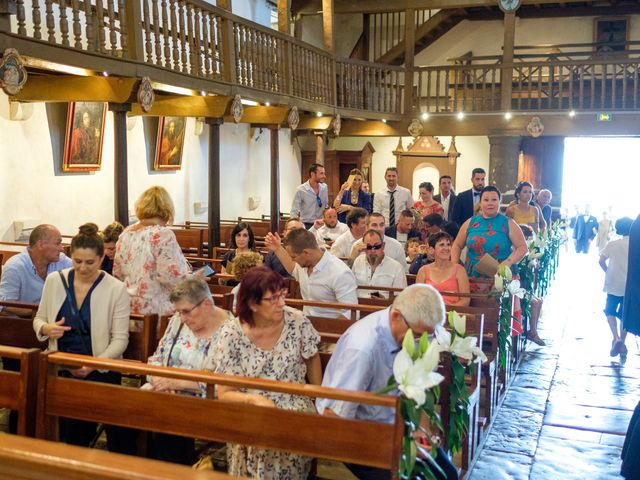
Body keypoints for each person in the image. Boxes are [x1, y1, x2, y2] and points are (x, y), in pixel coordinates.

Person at [317, 284, 445, 480]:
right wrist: (398, 445)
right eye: (419, 335)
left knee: (447, 474)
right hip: (361, 434)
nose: (423, 342)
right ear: (396, 317)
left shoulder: (413, 332)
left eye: (430, 335)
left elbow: (420, 391)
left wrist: (421, 433)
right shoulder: (362, 348)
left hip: (398, 426)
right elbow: (336, 417)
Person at [32, 223, 135, 454]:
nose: (83, 267)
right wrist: (47, 328)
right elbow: (39, 319)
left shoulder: (115, 289)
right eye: (77, 261)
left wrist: (92, 365)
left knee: (118, 429)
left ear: (101, 259)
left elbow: (120, 340)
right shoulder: (55, 281)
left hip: (102, 366)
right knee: (70, 431)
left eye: (90, 262)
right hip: (61, 364)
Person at [211, 267, 321, 479]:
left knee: (280, 434)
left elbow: (312, 357)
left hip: (292, 402)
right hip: (248, 404)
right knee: (255, 434)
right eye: (273, 299)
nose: (282, 304)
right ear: (252, 304)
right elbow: (225, 393)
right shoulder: (231, 333)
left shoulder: (297, 321)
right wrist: (254, 400)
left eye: (283, 295)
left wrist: (317, 396)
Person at [146, 276, 233, 465]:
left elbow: (228, 385)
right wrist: (160, 381)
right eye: (178, 312)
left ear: (207, 304)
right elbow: (156, 359)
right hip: (166, 392)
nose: (182, 318)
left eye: (186, 311)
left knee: (168, 418)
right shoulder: (178, 320)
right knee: (125, 410)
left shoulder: (232, 331)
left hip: (209, 401)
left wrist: (178, 383)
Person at [114, 186, 191, 316]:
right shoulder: (162, 234)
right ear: (167, 209)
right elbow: (171, 277)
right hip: (155, 311)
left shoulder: (125, 234)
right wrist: (194, 279)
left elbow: (117, 273)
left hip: (127, 309)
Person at [265, 229, 358, 319]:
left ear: (306, 253)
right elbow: (292, 268)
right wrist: (277, 248)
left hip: (330, 328)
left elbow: (350, 313)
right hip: (306, 324)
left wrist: (328, 330)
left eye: (294, 257)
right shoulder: (304, 264)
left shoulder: (340, 272)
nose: (293, 260)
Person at [451, 186, 527, 280]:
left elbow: (522, 247)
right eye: (486, 200)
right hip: (472, 275)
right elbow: (457, 245)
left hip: (501, 275)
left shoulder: (509, 223)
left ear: (499, 202)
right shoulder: (470, 222)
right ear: (480, 203)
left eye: (494, 200)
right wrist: (454, 266)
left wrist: (508, 262)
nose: (490, 203)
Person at [0, 224, 72, 306]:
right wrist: (38, 313)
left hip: (56, 317)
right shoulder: (15, 266)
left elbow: (81, 273)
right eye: (57, 243)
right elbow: (5, 306)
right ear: (41, 245)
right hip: (25, 318)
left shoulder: (62, 260)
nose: (62, 249)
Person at [599, 217, 633, 362]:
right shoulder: (636, 245)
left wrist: (607, 271)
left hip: (613, 283)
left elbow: (601, 260)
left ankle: (616, 338)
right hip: (629, 285)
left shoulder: (613, 244)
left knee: (610, 311)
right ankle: (622, 342)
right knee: (625, 315)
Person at [416, 232, 470, 307]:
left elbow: (465, 300)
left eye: (448, 244)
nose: (446, 248)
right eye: (442, 245)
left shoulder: (460, 270)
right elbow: (418, 299)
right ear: (431, 249)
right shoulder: (423, 271)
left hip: (452, 314)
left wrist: (446, 311)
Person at [352, 230, 407, 298]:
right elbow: (348, 287)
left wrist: (384, 301)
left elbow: (401, 298)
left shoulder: (397, 267)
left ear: (383, 246)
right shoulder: (357, 261)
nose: (372, 251)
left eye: (376, 246)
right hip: (358, 306)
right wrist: (352, 256)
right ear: (364, 247)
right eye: (369, 247)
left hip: (384, 308)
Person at [290, 163, 328, 228]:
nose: (324, 176)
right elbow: (294, 211)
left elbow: (326, 206)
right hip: (306, 225)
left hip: (321, 224)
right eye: (321, 173)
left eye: (324, 173)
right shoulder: (301, 189)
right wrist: (295, 227)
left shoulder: (324, 187)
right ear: (312, 174)